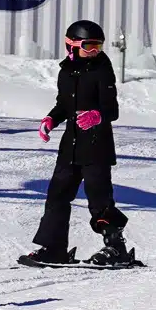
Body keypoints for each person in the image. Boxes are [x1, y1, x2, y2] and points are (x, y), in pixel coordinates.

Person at [20, 18, 137, 269]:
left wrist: (97, 115)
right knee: (57, 196)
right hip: (70, 146)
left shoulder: (102, 70)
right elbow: (64, 104)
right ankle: (53, 249)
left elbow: (112, 109)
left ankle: (116, 248)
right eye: (88, 46)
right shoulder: (66, 72)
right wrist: (52, 118)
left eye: (99, 46)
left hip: (96, 146)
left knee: (99, 200)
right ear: (71, 45)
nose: (94, 51)